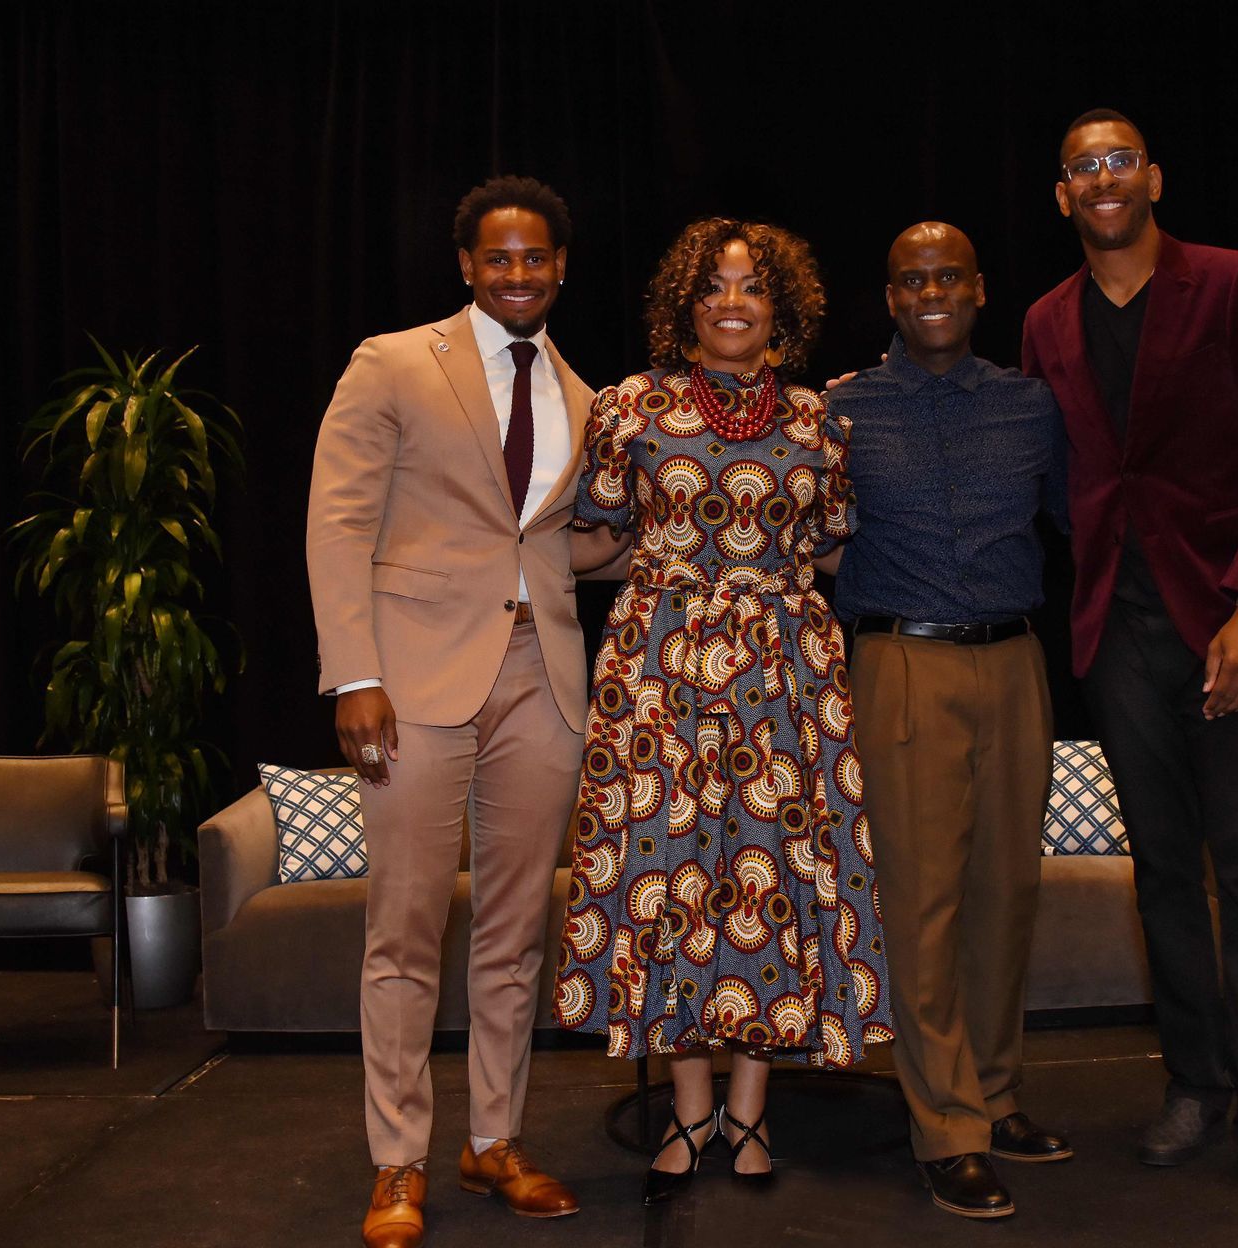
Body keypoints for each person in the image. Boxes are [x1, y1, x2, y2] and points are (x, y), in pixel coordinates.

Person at [1020, 109, 1238, 1207]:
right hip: (1118, 630)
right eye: (1080, 169)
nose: (1102, 180)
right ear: (1062, 197)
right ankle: (1195, 1085)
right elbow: (1063, 476)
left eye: (1118, 161)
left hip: (1230, 621)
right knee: (1160, 877)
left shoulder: (1236, 283)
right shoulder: (1047, 321)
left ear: (1152, 175)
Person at [554, 217, 893, 1204]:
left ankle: (751, 1111)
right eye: (712, 288)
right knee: (670, 878)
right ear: (685, 307)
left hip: (786, 678)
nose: (732, 302)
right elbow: (591, 536)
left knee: (771, 878)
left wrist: (766, 594)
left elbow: (834, 546)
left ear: (780, 309)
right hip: (661, 674)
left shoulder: (818, 421)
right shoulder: (630, 407)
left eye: (750, 287)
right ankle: (687, 1108)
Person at [307, 175, 595, 1248]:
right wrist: (353, 673)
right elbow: (337, 522)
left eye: (537, 257)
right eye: (498, 257)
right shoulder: (392, 361)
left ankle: (494, 1141)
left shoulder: (586, 395)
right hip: (411, 680)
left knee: (519, 934)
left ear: (561, 268)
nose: (518, 273)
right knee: (405, 931)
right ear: (467, 266)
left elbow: (562, 541)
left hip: (545, 681)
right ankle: (396, 1161)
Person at [824, 223, 1072, 1220]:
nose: (931, 292)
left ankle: (996, 1090)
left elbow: (1083, 523)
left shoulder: (1031, 407)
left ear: (978, 289)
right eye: (911, 280)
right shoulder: (841, 411)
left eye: (948, 277)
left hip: (1015, 663)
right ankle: (948, 1127)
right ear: (890, 298)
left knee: (1006, 892)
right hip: (904, 663)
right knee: (922, 906)